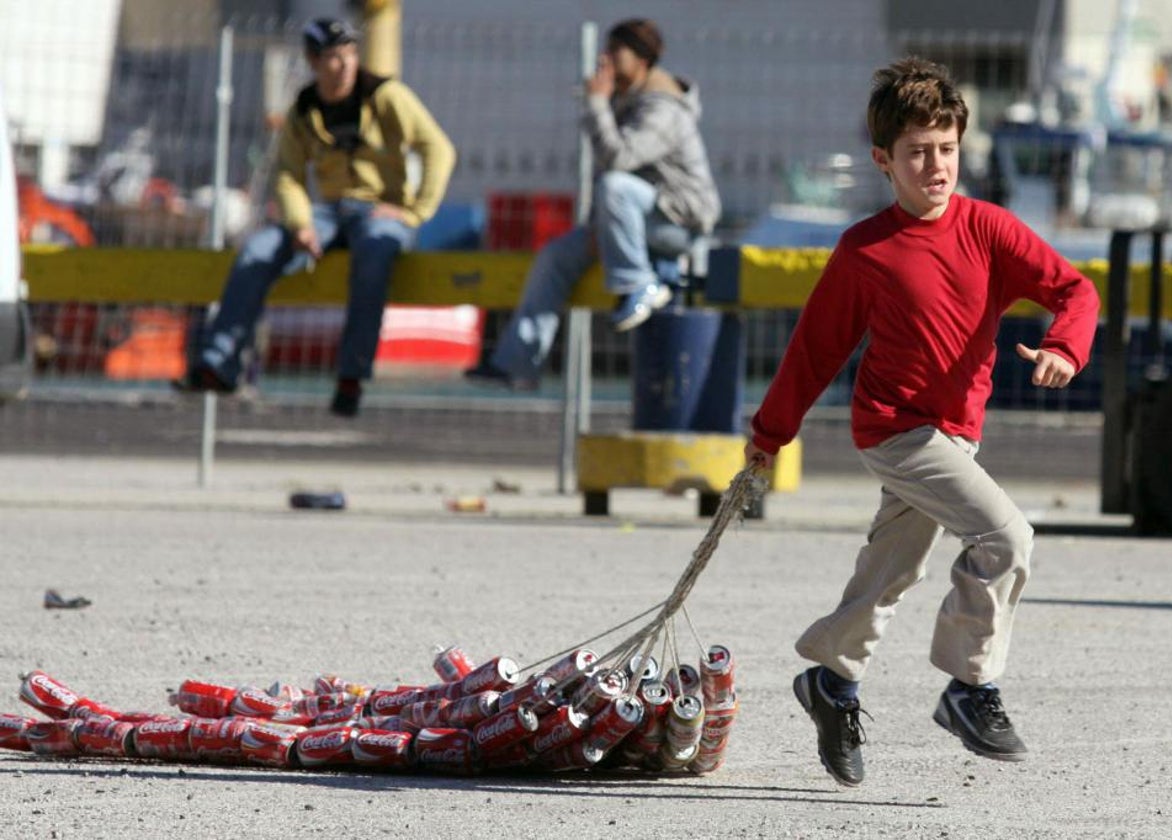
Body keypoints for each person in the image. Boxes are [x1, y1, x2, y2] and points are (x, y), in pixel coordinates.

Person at [744, 58, 1100, 787]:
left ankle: (831, 679)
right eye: (917, 152)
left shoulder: (989, 230)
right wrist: (767, 438)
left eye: (946, 148)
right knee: (1006, 538)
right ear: (884, 160)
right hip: (895, 432)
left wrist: (1065, 346)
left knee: (891, 570)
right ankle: (971, 688)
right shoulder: (865, 250)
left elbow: (1076, 290)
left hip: (957, 435)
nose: (935, 166)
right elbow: (813, 352)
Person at [178, 18, 456, 417]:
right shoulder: (304, 108)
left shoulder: (385, 94)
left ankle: (351, 376)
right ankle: (218, 363)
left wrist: (416, 212)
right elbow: (288, 173)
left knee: (374, 257)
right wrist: (300, 222)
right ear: (312, 61)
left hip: (380, 211)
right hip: (327, 212)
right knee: (258, 250)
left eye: (350, 54)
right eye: (332, 57)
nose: (344, 65)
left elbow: (439, 149)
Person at [465, 18, 721, 390]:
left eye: (616, 53)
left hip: (680, 225)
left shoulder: (664, 109)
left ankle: (638, 284)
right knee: (555, 256)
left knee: (618, 185)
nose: (606, 62)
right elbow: (603, 178)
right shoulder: (627, 102)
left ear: (642, 61)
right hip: (639, 224)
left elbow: (618, 162)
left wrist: (598, 104)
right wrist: (596, 227)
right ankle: (518, 362)